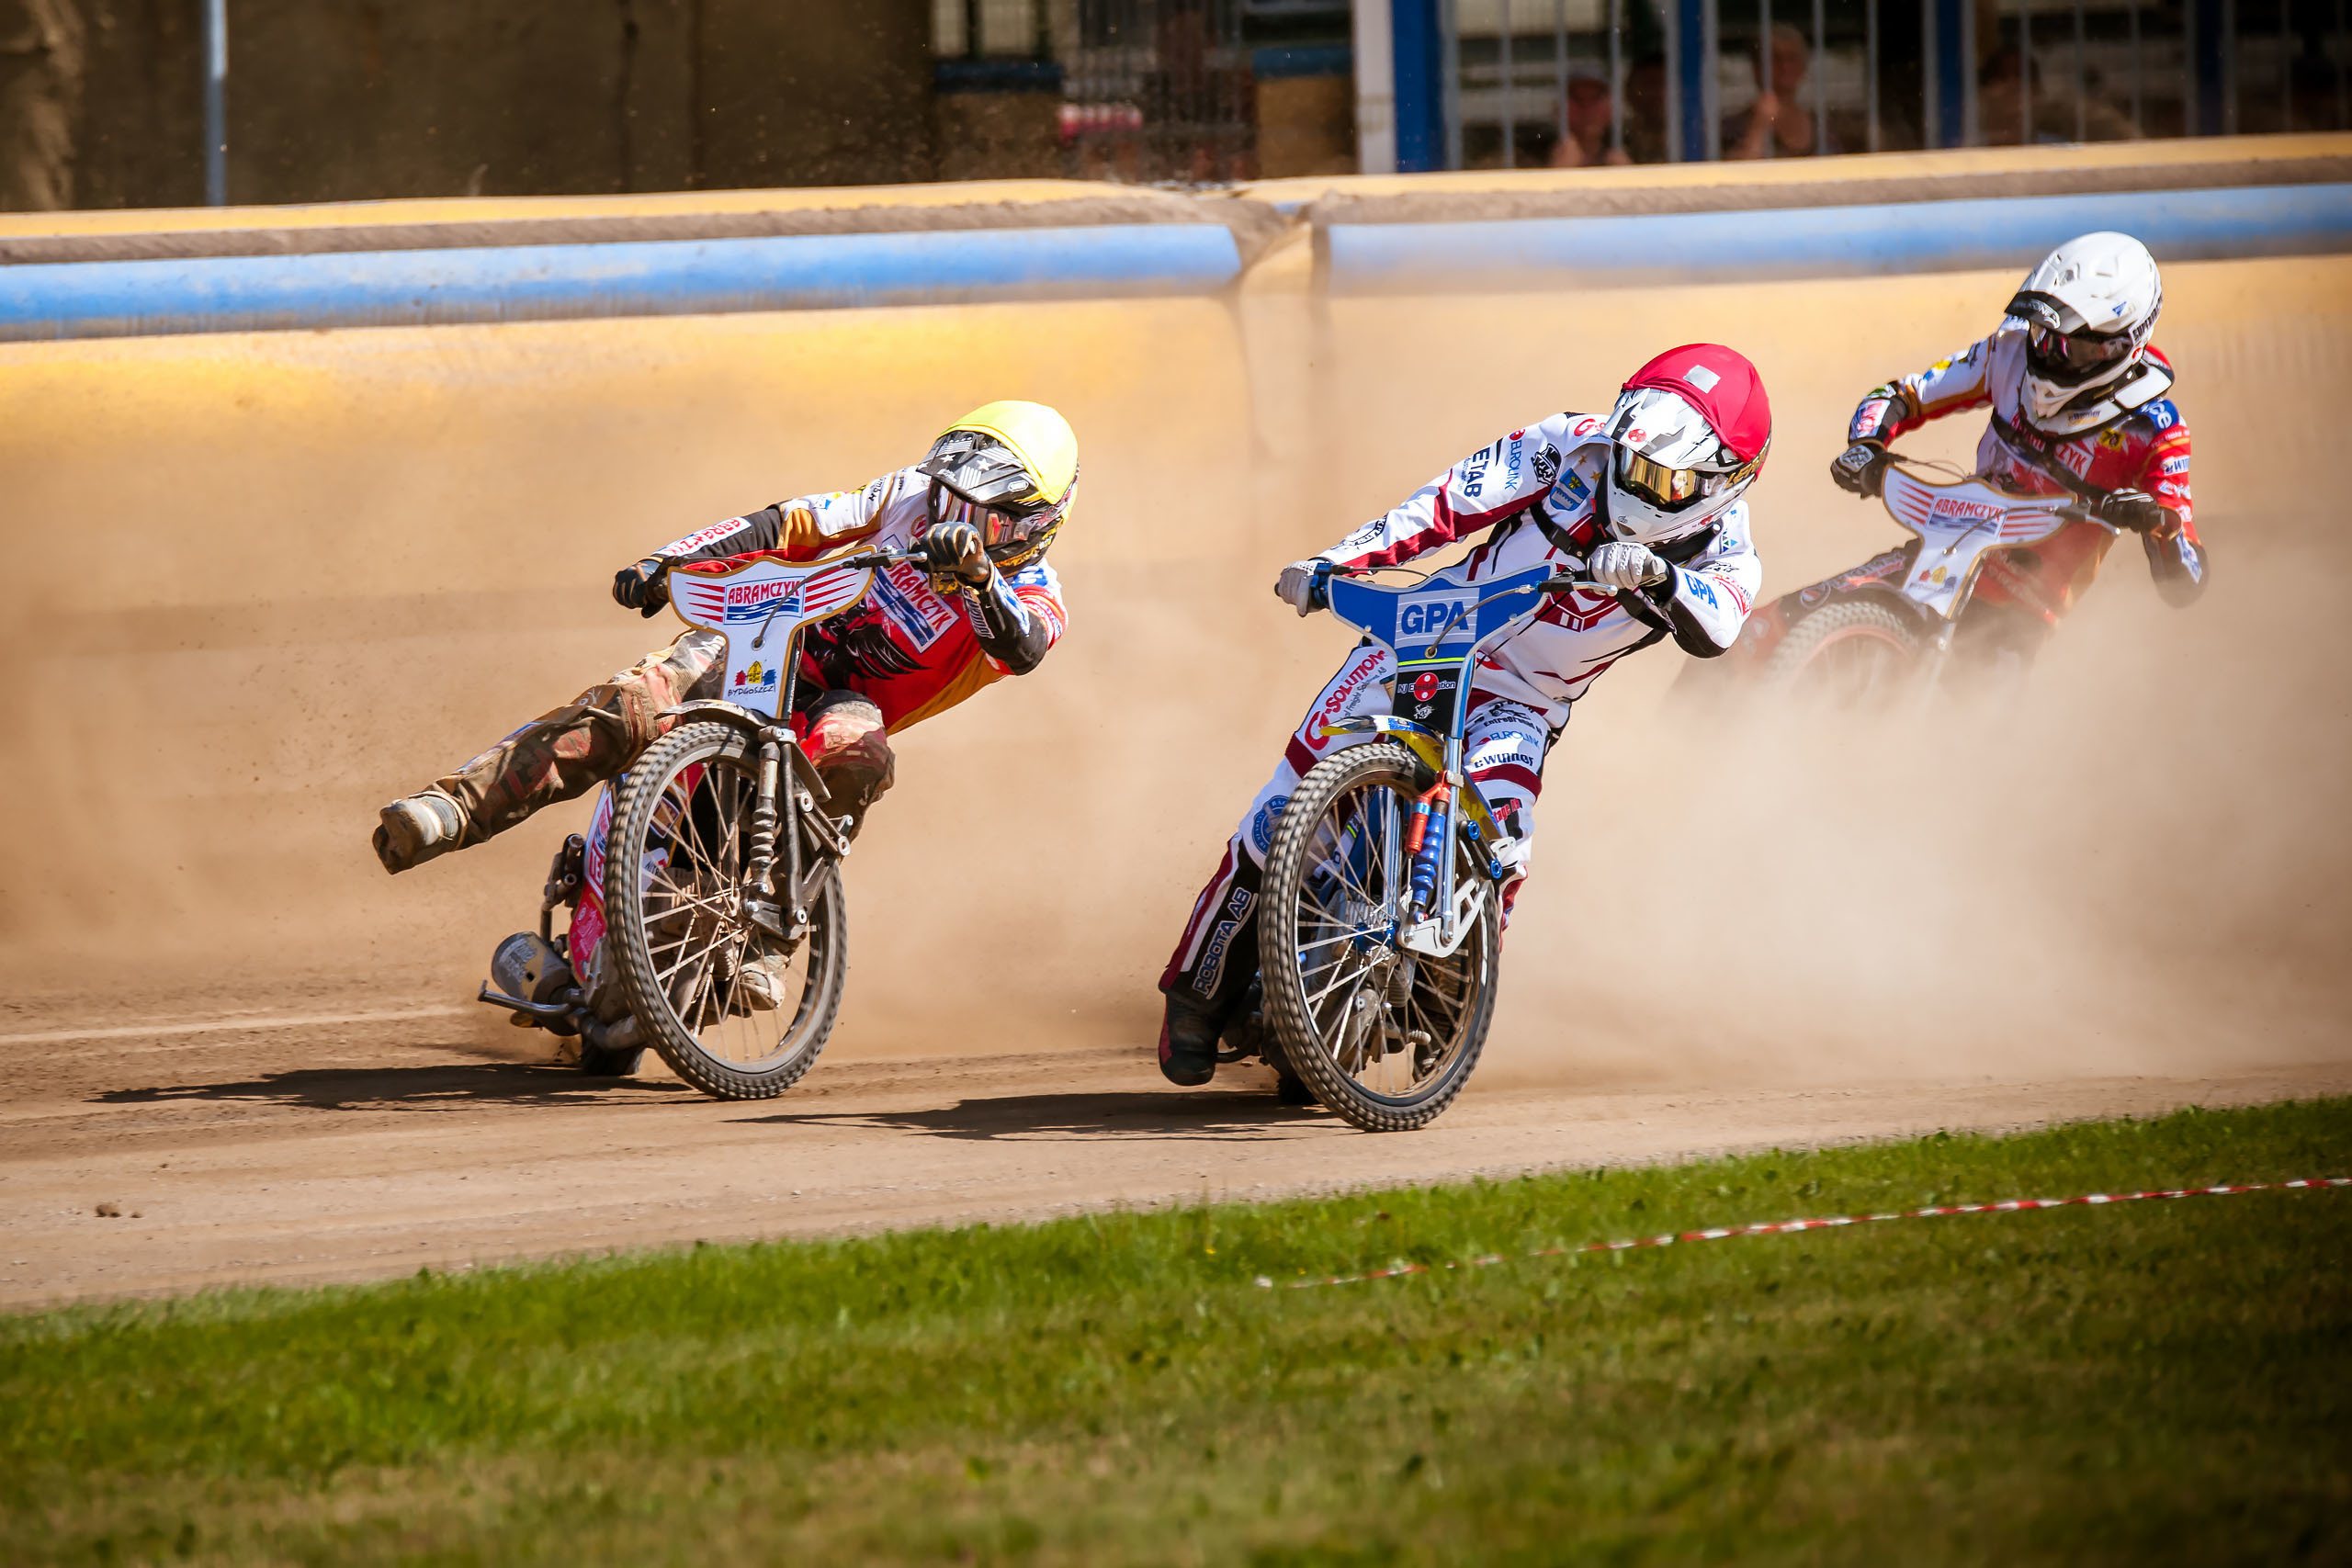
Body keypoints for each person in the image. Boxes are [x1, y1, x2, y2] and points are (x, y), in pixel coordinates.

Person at [1157, 347, 1770, 1086]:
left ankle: (1443, 1006)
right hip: (1424, 634)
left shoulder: (1729, 552)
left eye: (1662, 478)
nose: (1633, 481)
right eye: (1631, 458)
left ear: (1725, 481)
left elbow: (1719, 626)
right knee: (1279, 811)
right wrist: (1336, 563)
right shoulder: (1567, 444)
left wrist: (1663, 577)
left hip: (1524, 701)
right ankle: (1195, 986)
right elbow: (1445, 504)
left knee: (1506, 845)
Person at [371, 401, 1078, 874]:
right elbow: (792, 523)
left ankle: (778, 928)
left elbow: (1020, 649)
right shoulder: (904, 496)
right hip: (765, 643)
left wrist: (980, 580)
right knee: (639, 699)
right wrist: (671, 561)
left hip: (837, 704)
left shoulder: (1036, 595)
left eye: (982, 510)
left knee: (858, 749)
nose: (948, 515)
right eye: (949, 493)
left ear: (1036, 522)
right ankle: (453, 809)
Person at [1829, 231, 2205, 661]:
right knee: (1793, 617)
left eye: (2074, 347)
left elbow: (2187, 582)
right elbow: (1901, 395)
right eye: (2046, 335)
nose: (2050, 355)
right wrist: (1866, 445)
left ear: (2123, 345)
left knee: (1978, 716)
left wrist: (2158, 522)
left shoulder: (2155, 429)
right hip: (1943, 551)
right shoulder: (2010, 351)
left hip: (2021, 611)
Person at [1725, 23, 1837, 159]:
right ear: (1756, 67)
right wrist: (1758, 127)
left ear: (1803, 67)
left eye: (1792, 57)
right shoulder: (1734, 127)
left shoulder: (1821, 127)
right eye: (1774, 58)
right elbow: (1736, 174)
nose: (1784, 65)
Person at [1548, 63, 1633, 167]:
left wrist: (1629, 176)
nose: (1586, 107)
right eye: (1577, 98)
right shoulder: (1536, 152)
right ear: (1558, 109)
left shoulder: (1633, 149)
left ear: (1611, 108)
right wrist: (1555, 173)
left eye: (1596, 98)